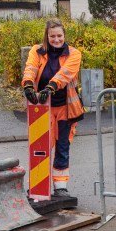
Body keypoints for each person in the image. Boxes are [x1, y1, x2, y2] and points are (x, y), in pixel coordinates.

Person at [22, 18, 84, 196]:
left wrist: (51, 87)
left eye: (59, 36)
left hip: (65, 107)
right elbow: (31, 67)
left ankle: (60, 187)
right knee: (40, 146)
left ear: (64, 35)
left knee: (62, 146)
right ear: (46, 36)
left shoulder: (74, 54)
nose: (56, 39)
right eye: (52, 36)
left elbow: (65, 74)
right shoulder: (37, 51)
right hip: (42, 108)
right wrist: (27, 84)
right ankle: (37, 185)